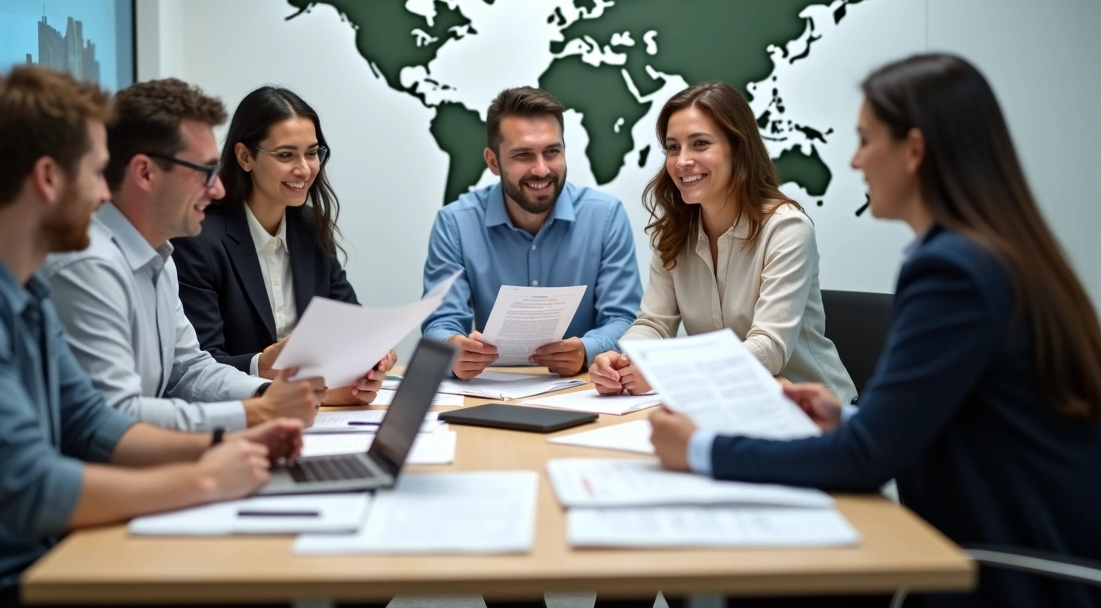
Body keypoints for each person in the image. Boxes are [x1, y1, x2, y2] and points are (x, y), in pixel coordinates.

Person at [649, 54, 1101, 608]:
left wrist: (700, 449)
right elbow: (969, 419)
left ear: (913, 151)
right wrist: (853, 417)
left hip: (1001, 576)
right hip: (991, 545)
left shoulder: (952, 272)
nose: (856, 160)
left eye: (866, 140)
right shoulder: (990, 253)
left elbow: (867, 459)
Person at [0, 66, 314, 608]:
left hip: (43, 563)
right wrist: (206, 478)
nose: (103, 193)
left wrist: (227, 444)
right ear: (47, 178)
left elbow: (92, 422)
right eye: (94, 173)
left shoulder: (18, 290)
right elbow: (29, 486)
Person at [42, 78, 323, 433]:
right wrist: (258, 413)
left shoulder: (159, 255)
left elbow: (188, 370)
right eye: (205, 171)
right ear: (145, 172)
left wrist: (269, 394)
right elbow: (115, 415)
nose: (218, 187)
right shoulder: (88, 266)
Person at [590, 82, 855, 403]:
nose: (682, 161)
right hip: (724, 403)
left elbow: (768, 349)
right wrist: (622, 359)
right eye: (673, 148)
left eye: (700, 144)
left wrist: (666, 371)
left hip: (811, 412)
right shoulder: (672, 233)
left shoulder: (786, 228)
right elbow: (655, 324)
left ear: (738, 149)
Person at [172, 86, 392, 405]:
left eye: (312, 152)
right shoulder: (198, 240)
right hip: (239, 417)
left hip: (317, 414)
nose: (304, 169)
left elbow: (350, 324)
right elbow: (196, 367)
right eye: (286, 155)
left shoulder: (310, 228)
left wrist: (373, 358)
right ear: (245, 157)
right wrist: (262, 364)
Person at [421, 86, 643, 379]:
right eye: (523, 155)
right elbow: (440, 323)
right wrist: (453, 350)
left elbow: (624, 318)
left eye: (552, 152)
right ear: (493, 162)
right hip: (491, 393)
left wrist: (587, 350)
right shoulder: (455, 223)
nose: (541, 170)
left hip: (582, 388)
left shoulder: (605, 215)